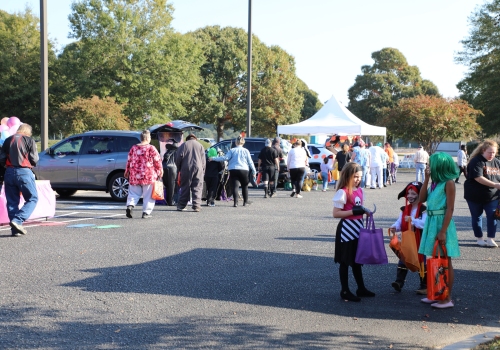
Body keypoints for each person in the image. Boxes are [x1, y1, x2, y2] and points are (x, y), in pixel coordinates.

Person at [418, 152, 460, 308]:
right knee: (435, 259)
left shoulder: (449, 183)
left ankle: (446, 298)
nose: (429, 167)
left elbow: (450, 209)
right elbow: (422, 199)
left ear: (439, 166)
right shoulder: (435, 182)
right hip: (432, 222)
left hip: (442, 223)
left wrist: (442, 231)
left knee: (445, 261)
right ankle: (436, 292)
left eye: (431, 164)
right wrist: (426, 179)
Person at [333, 162, 375, 302]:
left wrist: (365, 211)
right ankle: (344, 290)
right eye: (355, 176)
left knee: (358, 260)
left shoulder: (360, 190)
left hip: (358, 228)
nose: (358, 179)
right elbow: (336, 213)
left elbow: (359, 206)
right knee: (345, 261)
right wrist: (353, 211)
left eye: (360, 177)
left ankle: (361, 288)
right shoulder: (342, 192)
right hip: (346, 230)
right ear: (347, 176)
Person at [0, 123, 38, 236]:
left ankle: (15, 231)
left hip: (9, 172)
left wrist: (6, 166)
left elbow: (1, 158)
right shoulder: (29, 140)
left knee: (12, 202)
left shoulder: (7, 140)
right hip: (24, 172)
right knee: (32, 198)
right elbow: (34, 158)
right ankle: (18, 220)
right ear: (28, 132)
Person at [389, 182, 428, 294]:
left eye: (413, 193)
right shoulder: (404, 209)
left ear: (420, 195)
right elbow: (399, 222)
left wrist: (412, 220)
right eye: (408, 193)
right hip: (406, 239)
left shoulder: (424, 210)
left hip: (419, 239)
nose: (410, 195)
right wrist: (394, 227)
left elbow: (424, 224)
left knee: (421, 261)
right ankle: (399, 282)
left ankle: (424, 285)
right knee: (403, 259)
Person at [463, 140, 500, 247]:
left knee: (492, 216)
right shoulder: (476, 161)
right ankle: (479, 238)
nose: (491, 155)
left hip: (492, 196)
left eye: (493, 152)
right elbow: (478, 178)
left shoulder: (497, 162)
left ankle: (490, 239)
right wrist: (495, 185)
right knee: (477, 217)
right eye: (489, 152)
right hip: (474, 195)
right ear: (483, 150)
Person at [124, 130, 163, 219]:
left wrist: (127, 171)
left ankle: (130, 205)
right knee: (148, 195)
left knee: (133, 193)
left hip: (134, 175)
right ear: (147, 138)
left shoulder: (133, 148)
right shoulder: (151, 148)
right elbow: (157, 160)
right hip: (148, 175)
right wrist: (160, 171)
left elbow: (129, 160)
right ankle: (146, 212)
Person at [209, 135, 256, 207]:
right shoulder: (246, 151)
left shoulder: (232, 150)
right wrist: (254, 171)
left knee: (235, 186)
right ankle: (245, 201)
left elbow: (225, 158)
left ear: (236, 142)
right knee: (244, 186)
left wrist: (213, 158)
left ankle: (235, 203)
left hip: (233, 169)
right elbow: (250, 162)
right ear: (243, 143)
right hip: (244, 169)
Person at [175, 134, 206, 212]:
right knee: (197, 187)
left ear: (187, 139)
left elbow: (178, 158)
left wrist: (179, 168)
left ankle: (181, 205)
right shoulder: (200, 145)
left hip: (186, 167)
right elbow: (203, 160)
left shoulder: (183, 145)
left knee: (185, 186)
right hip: (198, 168)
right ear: (195, 138)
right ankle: (196, 206)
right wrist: (203, 171)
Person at [162, 139, 179, 206]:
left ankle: (168, 200)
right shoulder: (177, 152)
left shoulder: (167, 152)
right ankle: (171, 201)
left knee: (167, 185)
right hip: (173, 169)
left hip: (164, 168)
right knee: (172, 186)